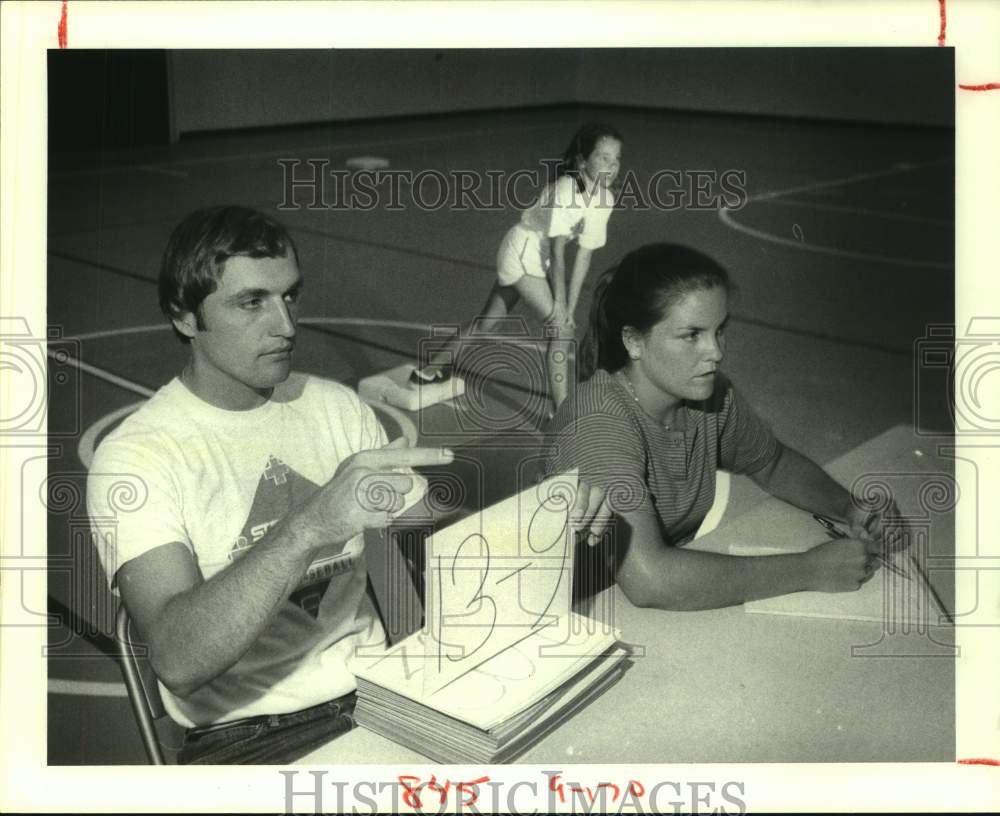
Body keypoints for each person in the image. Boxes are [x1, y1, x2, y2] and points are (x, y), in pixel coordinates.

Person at [86, 205, 456, 764]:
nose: (285, 325)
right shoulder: (137, 457)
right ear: (185, 316)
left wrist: (544, 520)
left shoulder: (334, 407)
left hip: (384, 695)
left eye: (290, 296)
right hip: (249, 737)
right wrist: (310, 524)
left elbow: (434, 534)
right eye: (251, 302)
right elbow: (179, 659)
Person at [545, 243, 905, 611]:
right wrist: (809, 570)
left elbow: (772, 463)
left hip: (665, 612)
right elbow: (650, 580)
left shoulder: (708, 397)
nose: (715, 352)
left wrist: (849, 507)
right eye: (692, 335)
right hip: (581, 617)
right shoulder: (597, 423)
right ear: (634, 341)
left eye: (719, 331)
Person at [411, 122, 623, 415]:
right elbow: (561, 252)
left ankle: (428, 371)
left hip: (538, 258)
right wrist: (561, 308)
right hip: (522, 251)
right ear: (583, 161)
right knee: (560, 333)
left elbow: (584, 257)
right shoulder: (566, 190)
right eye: (604, 157)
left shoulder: (605, 199)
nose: (612, 166)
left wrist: (570, 308)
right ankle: (561, 415)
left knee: (488, 322)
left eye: (616, 159)